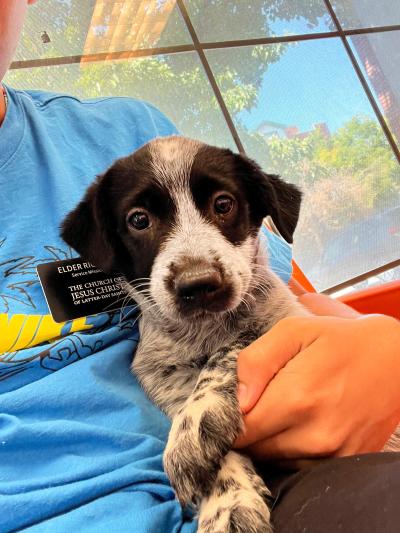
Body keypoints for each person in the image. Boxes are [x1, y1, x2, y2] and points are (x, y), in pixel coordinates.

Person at [1, 1, 399, 532]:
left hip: (306, 489)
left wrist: (385, 348)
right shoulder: (107, 216)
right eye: (141, 220)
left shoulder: (124, 130)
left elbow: (301, 309)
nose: (194, 263)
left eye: (222, 207)